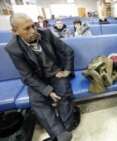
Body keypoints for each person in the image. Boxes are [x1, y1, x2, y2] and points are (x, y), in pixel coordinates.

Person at [5, 13, 81, 141]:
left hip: (56, 73)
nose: (33, 31)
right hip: (36, 79)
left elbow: (68, 51)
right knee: (37, 101)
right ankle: (59, 134)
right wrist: (47, 91)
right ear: (15, 31)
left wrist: (67, 71)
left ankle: (66, 129)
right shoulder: (13, 48)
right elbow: (27, 76)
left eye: (33, 26)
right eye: (27, 29)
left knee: (64, 93)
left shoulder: (46, 33)